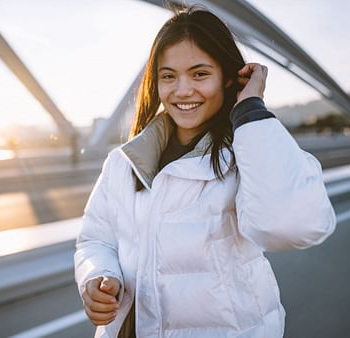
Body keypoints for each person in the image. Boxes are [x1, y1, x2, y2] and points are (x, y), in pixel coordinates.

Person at [74, 7, 336, 338]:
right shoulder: (123, 162)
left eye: (199, 74)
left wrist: (251, 109)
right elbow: (95, 238)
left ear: (228, 77)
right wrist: (97, 276)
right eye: (168, 76)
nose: (182, 90)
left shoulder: (249, 154)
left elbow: (293, 227)